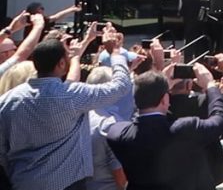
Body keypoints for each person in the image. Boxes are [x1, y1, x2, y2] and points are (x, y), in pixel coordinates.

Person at [0, 28, 133, 190]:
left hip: (23, 182)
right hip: (67, 184)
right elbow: (121, 86)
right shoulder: (72, 95)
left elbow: (2, 151)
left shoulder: (7, 100)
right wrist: (117, 53)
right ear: (62, 64)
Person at [105, 65, 223, 190]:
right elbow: (219, 119)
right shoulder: (185, 129)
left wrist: (159, 89)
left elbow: (138, 118)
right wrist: (211, 86)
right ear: (165, 100)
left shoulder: (117, 135)